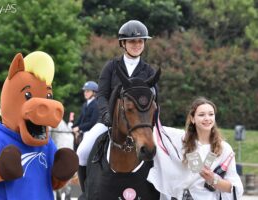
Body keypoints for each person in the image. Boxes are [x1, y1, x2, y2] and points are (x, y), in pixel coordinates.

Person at [76, 20, 157, 193]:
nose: (137, 45)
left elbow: (155, 99)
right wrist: (106, 114)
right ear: (123, 43)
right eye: (132, 41)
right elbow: (102, 94)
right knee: (82, 151)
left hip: (142, 123)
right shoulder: (111, 67)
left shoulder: (148, 71)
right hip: (110, 122)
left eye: (140, 41)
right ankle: (86, 193)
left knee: (165, 155)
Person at [148, 97, 244, 200]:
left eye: (211, 114)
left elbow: (233, 188)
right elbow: (156, 130)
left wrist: (213, 180)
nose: (207, 118)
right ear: (193, 118)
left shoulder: (224, 148)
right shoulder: (179, 140)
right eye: (201, 115)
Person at [72, 81, 99, 150]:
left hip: (90, 132)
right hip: (82, 131)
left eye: (88, 91)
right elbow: (80, 119)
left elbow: (92, 122)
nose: (85, 93)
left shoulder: (96, 105)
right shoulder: (85, 104)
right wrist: (73, 126)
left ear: (94, 92)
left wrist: (79, 128)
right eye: (85, 91)